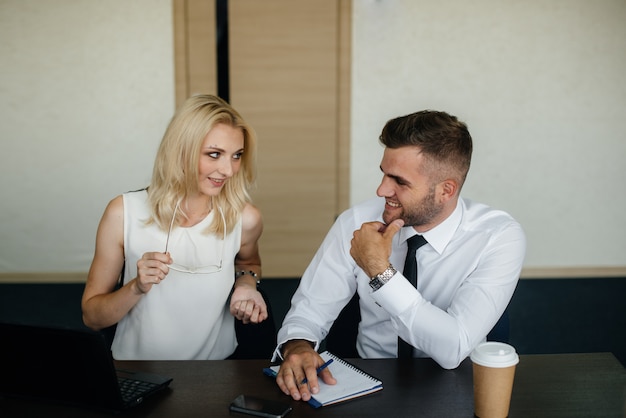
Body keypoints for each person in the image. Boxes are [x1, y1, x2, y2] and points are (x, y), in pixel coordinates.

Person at [273, 110, 526, 401]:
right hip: (368, 383)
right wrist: (298, 346)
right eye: (383, 173)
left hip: (458, 386)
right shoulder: (355, 222)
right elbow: (309, 310)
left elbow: (454, 349)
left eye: (399, 182)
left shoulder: (498, 237)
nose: (381, 190)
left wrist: (379, 271)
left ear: (446, 190)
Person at [82, 94, 268, 360]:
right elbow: (92, 317)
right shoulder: (122, 213)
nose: (228, 170)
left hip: (217, 371)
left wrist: (248, 284)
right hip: (137, 369)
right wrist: (135, 286)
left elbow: (249, 264)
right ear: (180, 151)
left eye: (236, 156)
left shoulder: (245, 218)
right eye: (214, 154)